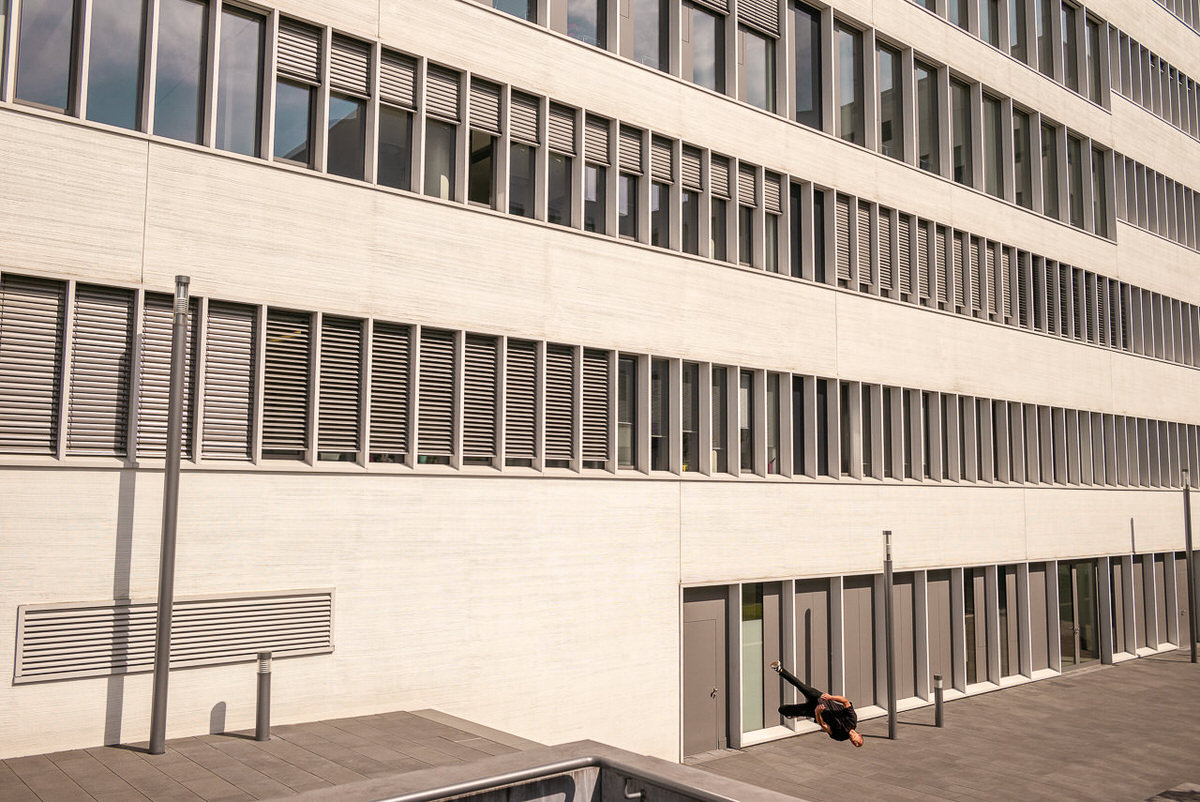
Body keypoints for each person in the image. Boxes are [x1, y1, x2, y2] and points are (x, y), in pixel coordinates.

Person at [770, 660, 864, 748]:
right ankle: (779, 669)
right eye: (857, 742)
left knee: (782, 710)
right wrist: (830, 697)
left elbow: (823, 725)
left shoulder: (840, 736)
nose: (854, 742)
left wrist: (818, 713)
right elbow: (845, 701)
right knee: (801, 686)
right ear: (859, 735)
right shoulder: (852, 720)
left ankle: (793, 714)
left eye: (854, 744)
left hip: (814, 711)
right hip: (821, 698)